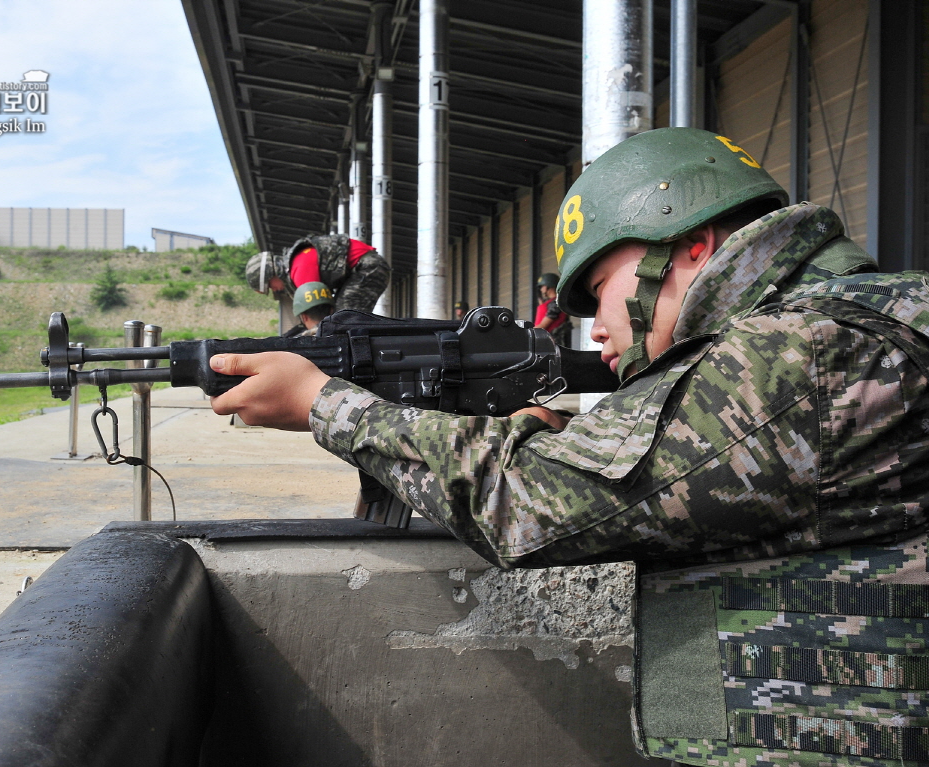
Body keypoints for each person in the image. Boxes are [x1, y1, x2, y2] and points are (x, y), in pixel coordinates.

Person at [209, 128, 929, 767]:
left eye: (601, 286)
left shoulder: (798, 354)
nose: (595, 328)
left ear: (691, 249)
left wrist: (327, 404)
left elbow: (527, 503)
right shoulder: (862, 317)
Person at [245, 234, 390, 314]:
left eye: (270, 286)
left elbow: (317, 313)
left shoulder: (299, 272)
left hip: (368, 268)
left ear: (272, 274)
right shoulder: (296, 262)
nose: (275, 290)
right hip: (365, 268)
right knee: (342, 317)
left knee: (345, 318)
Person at [532, 273, 572, 346]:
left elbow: (543, 325)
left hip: (553, 344)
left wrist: (527, 333)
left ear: (548, 286)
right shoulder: (552, 303)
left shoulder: (556, 303)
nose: (541, 289)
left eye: (542, 286)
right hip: (547, 342)